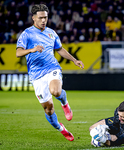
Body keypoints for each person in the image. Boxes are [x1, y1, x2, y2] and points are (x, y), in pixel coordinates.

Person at [16, 4, 84, 141]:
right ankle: (61, 128)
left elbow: (59, 49)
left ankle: (65, 104)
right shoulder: (27, 34)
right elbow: (18, 52)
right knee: (49, 108)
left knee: (56, 91)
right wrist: (32, 50)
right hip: (36, 75)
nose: (43, 21)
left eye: (45, 18)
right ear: (33, 18)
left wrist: (74, 60)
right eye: (40, 18)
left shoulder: (51, 32)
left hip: (52, 67)